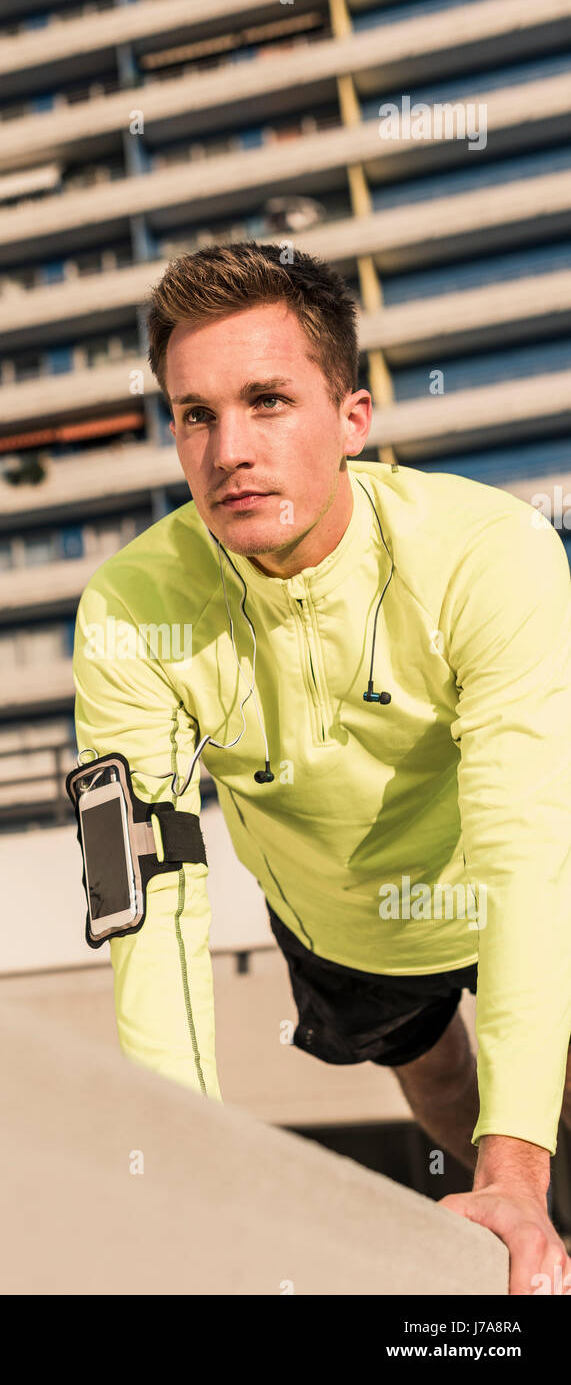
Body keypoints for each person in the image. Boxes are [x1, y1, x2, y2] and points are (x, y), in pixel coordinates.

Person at [71, 242, 571, 1295]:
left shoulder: (493, 551)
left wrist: (520, 1169)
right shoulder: (131, 609)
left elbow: (527, 848)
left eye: (266, 401)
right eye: (195, 414)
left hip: (507, 876)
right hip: (348, 918)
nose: (228, 449)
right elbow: (145, 897)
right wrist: (181, 1162)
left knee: (547, 1096)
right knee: (438, 1076)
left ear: (353, 417)